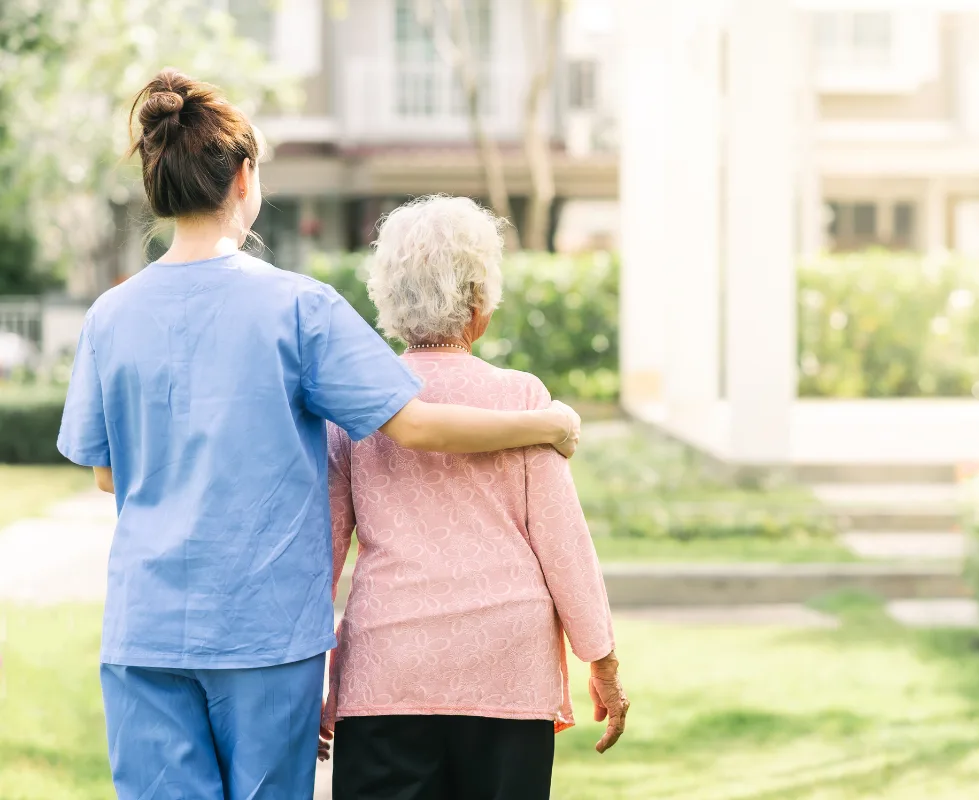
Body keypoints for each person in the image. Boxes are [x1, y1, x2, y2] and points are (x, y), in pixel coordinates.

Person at [55, 70, 582, 800]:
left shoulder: (109, 316)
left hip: (146, 629)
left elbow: (108, 475)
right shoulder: (299, 307)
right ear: (244, 177)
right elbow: (416, 423)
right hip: (265, 635)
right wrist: (543, 423)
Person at [320, 196, 629, 800]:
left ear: (388, 298)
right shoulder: (522, 399)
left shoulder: (356, 407)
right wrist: (604, 663)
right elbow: (563, 543)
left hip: (388, 668)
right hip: (506, 668)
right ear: (479, 304)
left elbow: (321, 552)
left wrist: (305, 680)